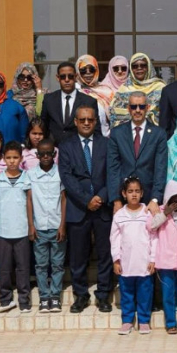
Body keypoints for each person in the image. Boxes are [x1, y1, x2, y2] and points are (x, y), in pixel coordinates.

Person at [58, 105, 114, 314]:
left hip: (103, 207)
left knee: (104, 254)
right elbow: (67, 177)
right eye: (82, 120)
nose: (86, 123)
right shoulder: (66, 146)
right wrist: (87, 199)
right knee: (78, 256)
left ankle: (103, 295)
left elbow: (113, 173)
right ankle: (80, 295)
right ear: (75, 122)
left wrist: (102, 196)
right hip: (78, 207)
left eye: (90, 119)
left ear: (96, 121)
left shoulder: (107, 144)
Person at [0, 141, 35, 313]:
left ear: (21, 159)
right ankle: (5, 299)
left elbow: (30, 202)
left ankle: (24, 300)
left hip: (22, 230)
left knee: (23, 267)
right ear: (4, 159)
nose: (12, 161)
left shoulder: (27, 178)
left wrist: (30, 225)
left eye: (15, 158)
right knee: (5, 267)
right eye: (8, 158)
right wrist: (1, 219)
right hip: (4, 231)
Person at [106, 91, 168, 219]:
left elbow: (160, 169)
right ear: (128, 108)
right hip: (123, 199)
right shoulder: (117, 133)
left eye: (141, 106)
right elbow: (113, 169)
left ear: (148, 108)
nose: (138, 110)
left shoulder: (159, 134)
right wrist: (116, 199)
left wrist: (156, 199)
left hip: (149, 199)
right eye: (134, 106)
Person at [111, 176, 156, 335]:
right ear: (124, 194)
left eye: (137, 191)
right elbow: (114, 239)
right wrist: (116, 260)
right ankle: (127, 321)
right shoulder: (119, 215)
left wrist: (153, 259)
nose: (134, 194)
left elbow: (154, 237)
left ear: (142, 193)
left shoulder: (147, 213)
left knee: (145, 293)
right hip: (126, 263)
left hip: (144, 263)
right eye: (130, 191)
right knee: (127, 293)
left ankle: (144, 321)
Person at [149, 180, 177, 334]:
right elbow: (151, 226)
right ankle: (170, 323)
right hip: (166, 261)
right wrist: (165, 213)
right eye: (175, 200)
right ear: (168, 199)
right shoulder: (160, 212)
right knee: (168, 294)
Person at [28, 137, 66, 313]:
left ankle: (55, 296)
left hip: (56, 225)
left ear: (54, 154)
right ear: (36, 155)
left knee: (57, 264)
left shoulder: (61, 173)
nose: (45, 157)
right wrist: (31, 225)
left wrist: (62, 225)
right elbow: (29, 200)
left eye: (48, 154)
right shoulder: (30, 174)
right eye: (41, 154)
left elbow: (64, 199)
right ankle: (44, 297)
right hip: (39, 226)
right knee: (41, 264)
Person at [40, 61, 100, 145]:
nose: (67, 80)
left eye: (70, 76)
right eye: (63, 76)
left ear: (75, 77)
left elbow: (96, 130)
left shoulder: (89, 101)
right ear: (58, 78)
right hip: (54, 150)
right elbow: (43, 127)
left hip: (79, 151)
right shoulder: (48, 100)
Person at [111, 52, 166, 128]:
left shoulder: (160, 87)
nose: (139, 68)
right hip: (128, 134)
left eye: (143, 65)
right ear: (131, 69)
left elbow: (166, 113)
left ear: (148, 67)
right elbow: (115, 114)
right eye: (135, 66)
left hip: (154, 135)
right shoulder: (124, 89)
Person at [74, 54, 116, 136]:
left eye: (92, 69)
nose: (88, 73)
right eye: (83, 70)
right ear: (78, 72)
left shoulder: (106, 90)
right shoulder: (75, 91)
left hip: (106, 138)